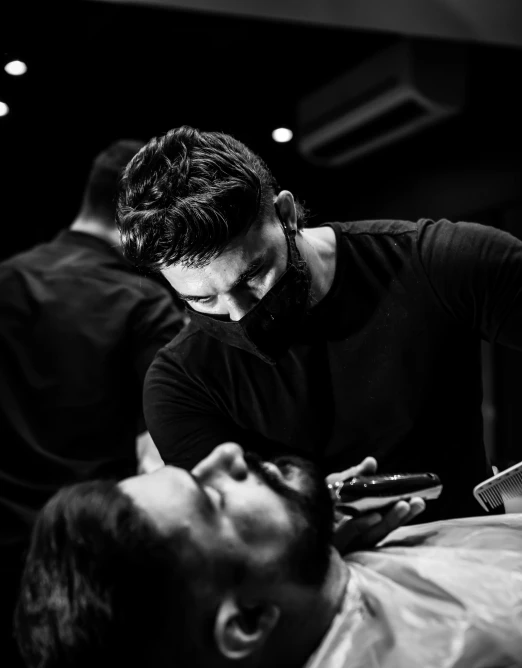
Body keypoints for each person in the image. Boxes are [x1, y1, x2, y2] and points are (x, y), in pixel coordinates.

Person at [14, 442, 522, 668]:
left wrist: (315, 550)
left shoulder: (275, 635)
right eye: (213, 498)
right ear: (248, 622)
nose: (226, 453)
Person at [116, 125, 522, 526]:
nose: (239, 315)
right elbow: (233, 537)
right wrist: (309, 529)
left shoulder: (439, 263)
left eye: (252, 276)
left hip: (471, 554)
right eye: (202, 299)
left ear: (286, 215)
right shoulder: (181, 384)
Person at [0, 139, 184, 668]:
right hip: (84, 562)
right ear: (139, 216)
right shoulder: (145, 304)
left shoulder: (8, 276)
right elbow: (163, 449)